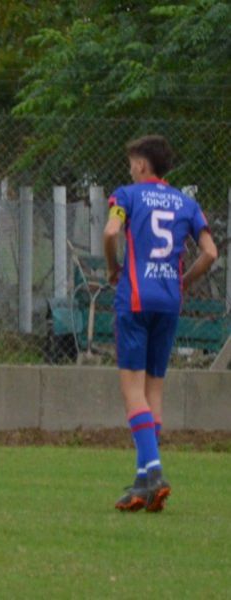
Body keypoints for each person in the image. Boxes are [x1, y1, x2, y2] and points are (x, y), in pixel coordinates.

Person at [105, 135, 217, 512]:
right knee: (154, 392)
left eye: (131, 163)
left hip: (135, 300)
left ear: (140, 165)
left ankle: (154, 471)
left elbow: (109, 233)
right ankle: (142, 484)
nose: (129, 170)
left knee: (132, 391)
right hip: (169, 302)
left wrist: (111, 268)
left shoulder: (126, 196)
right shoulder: (187, 203)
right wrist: (184, 282)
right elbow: (210, 253)